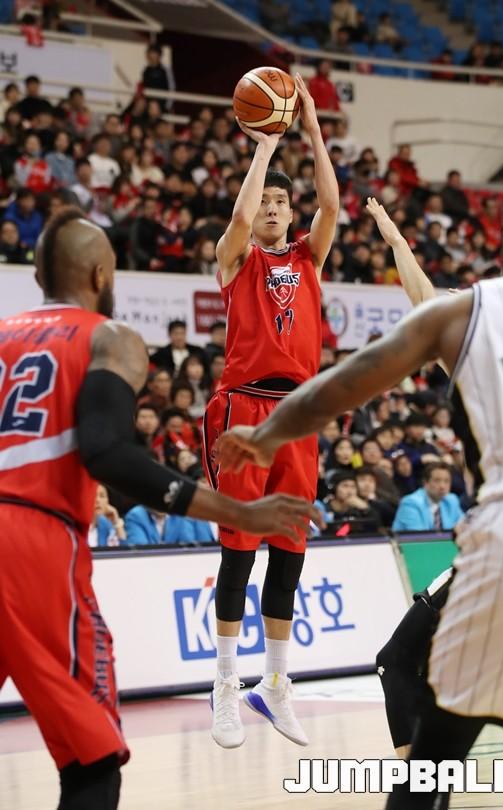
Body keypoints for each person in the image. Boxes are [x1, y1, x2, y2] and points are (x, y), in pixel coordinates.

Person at [217, 177, 503, 809]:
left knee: (418, 696)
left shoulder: (471, 310)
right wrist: (393, 239)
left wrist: (269, 433)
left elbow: (348, 382)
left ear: (502, 244)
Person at [0, 207, 321, 810]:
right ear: (102, 275)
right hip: (33, 543)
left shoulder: (3, 333)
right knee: (93, 764)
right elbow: (106, 453)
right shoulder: (108, 337)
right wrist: (235, 511)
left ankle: (265, 686)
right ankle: (230, 685)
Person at [203, 73, 339, 751]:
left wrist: (309, 127)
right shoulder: (236, 258)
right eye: (266, 202)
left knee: (289, 552)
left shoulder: (309, 256)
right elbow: (235, 222)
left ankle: (275, 684)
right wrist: (264, 144)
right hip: (243, 411)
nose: (274, 209)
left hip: (298, 414)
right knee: (239, 551)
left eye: (282, 202)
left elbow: (332, 204)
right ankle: (225, 683)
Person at [392, 461, 464, 531]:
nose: (442, 486)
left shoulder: (451, 500)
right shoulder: (410, 503)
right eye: (437, 480)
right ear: (425, 483)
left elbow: (464, 528)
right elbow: (419, 537)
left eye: (446, 481)